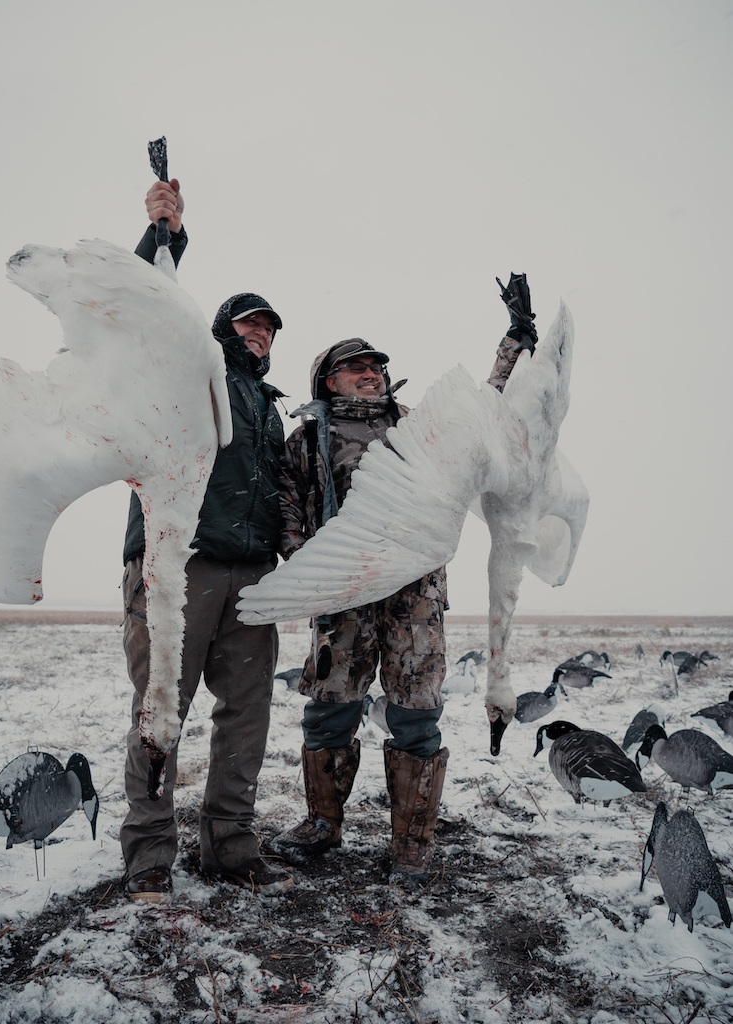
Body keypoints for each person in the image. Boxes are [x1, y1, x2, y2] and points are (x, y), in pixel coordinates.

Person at [272, 282, 536, 885]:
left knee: (416, 711)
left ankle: (412, 843)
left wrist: (513, 343)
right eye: (354, 367)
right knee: (330, 708)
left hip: (415, 595)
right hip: (345, 592)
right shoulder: (308, 440)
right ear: (327, 382)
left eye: (375, 367)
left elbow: (483, 411)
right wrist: (307, 565)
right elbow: (286, 506)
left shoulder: (418, 426)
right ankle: (322, 825)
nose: (369, 374)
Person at [121, 177, 292, 902]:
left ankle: (230, 843)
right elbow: (148, 318)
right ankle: (150, 854)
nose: (259, 334)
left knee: (245, 715)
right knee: (161, 707)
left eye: (268, 330)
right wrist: (166, 235)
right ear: (221, 329)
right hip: (177, 564)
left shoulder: (271, 409)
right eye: (248, 323)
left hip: (251, 575)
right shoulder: (190, 371)